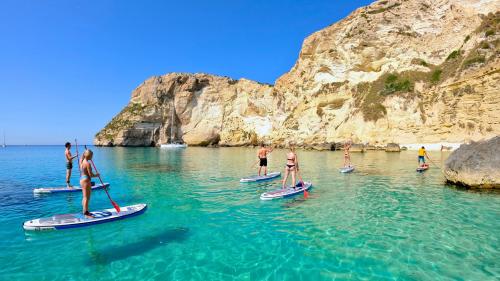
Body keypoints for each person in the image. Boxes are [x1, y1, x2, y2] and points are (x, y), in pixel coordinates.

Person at [80, 149, 100, 218]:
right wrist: (96, 175)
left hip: (82, 179)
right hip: (86, 180)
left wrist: (84, 153)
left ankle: (84, 211)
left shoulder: (82, 161)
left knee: (84, 197)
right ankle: (86, 214)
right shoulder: (88, 164)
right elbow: (91, 175)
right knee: (86, 197)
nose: (92, 157)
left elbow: (81, 157)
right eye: (92, 155)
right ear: (89, 156)